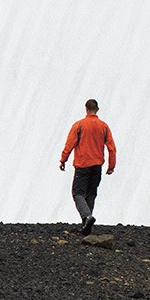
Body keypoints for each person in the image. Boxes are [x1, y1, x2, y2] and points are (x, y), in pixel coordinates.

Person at [59, 99, 116, 235]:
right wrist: (111, 165)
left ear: (86, 109)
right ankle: (86, 225)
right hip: (97, 165)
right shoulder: (104, 126)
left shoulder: (79, 125)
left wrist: (63, 159)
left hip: (82, 165)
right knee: (91, 194)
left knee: (78, 193)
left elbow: (70, 144)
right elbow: (111, 148)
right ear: (97, 109)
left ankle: (86, 217)